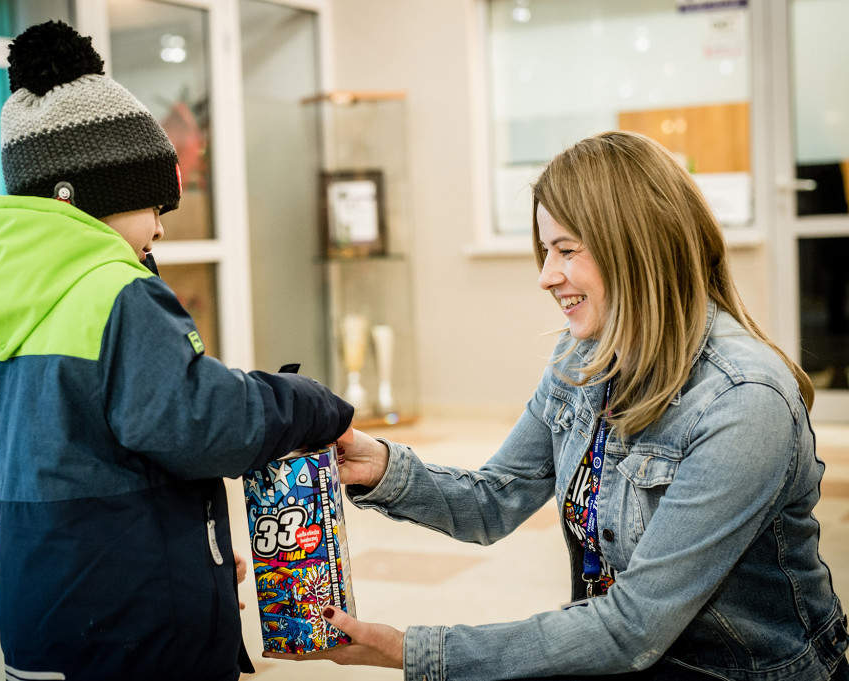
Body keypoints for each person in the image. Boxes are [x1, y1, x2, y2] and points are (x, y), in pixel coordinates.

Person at [273, 131, 849, 680]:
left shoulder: (743, 402)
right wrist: (382, 466)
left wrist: (411, 651)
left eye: (566, 250)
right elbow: (495, 501)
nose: (547, 276)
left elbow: (632, 627)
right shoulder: (583, 360)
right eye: (547, 250)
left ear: (636, 247)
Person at [0, 20, 353, 681]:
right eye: (151, 203)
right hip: (138, 635)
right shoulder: (117, 291)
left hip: (45, 623)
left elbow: (33, 468)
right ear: (85, 197)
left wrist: (193, 550)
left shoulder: (4, 297)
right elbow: (203, 423)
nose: (161, 226)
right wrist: (309, 403)